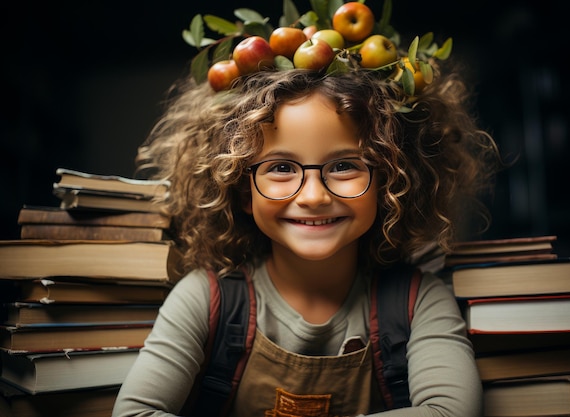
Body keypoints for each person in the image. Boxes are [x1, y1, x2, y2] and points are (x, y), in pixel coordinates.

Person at [112, 12, 501, 417]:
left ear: (390, 181)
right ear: (243, 190)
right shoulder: (205, 299)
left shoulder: (417, 301)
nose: (313, 196)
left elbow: (451, 411)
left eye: (345, 165)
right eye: (280, 168)